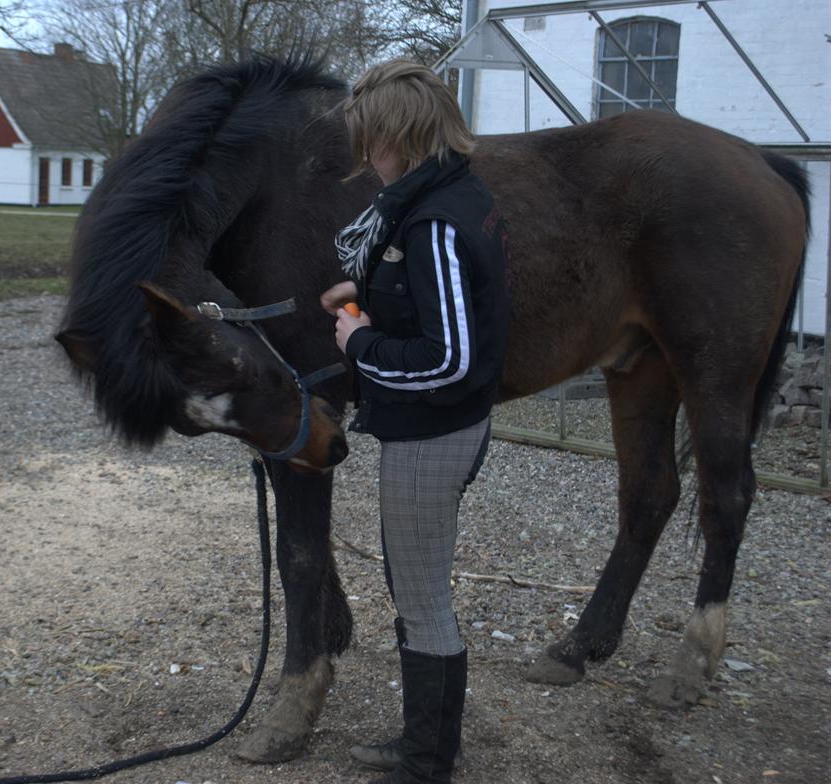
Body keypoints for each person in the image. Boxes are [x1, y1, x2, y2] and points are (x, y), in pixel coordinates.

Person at [321, 61, 510, 784]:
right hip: (436, 428)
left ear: (400, 135)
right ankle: (425, 745)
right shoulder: (454, 192)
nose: (367, 158)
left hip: (431, 433)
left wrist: (359, 343)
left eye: (372, 141)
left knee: (423, 594)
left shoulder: (432, 222)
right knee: (415, 584)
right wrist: (363, 290)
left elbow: (450, 359)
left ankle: (429, 762)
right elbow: (441, 299)